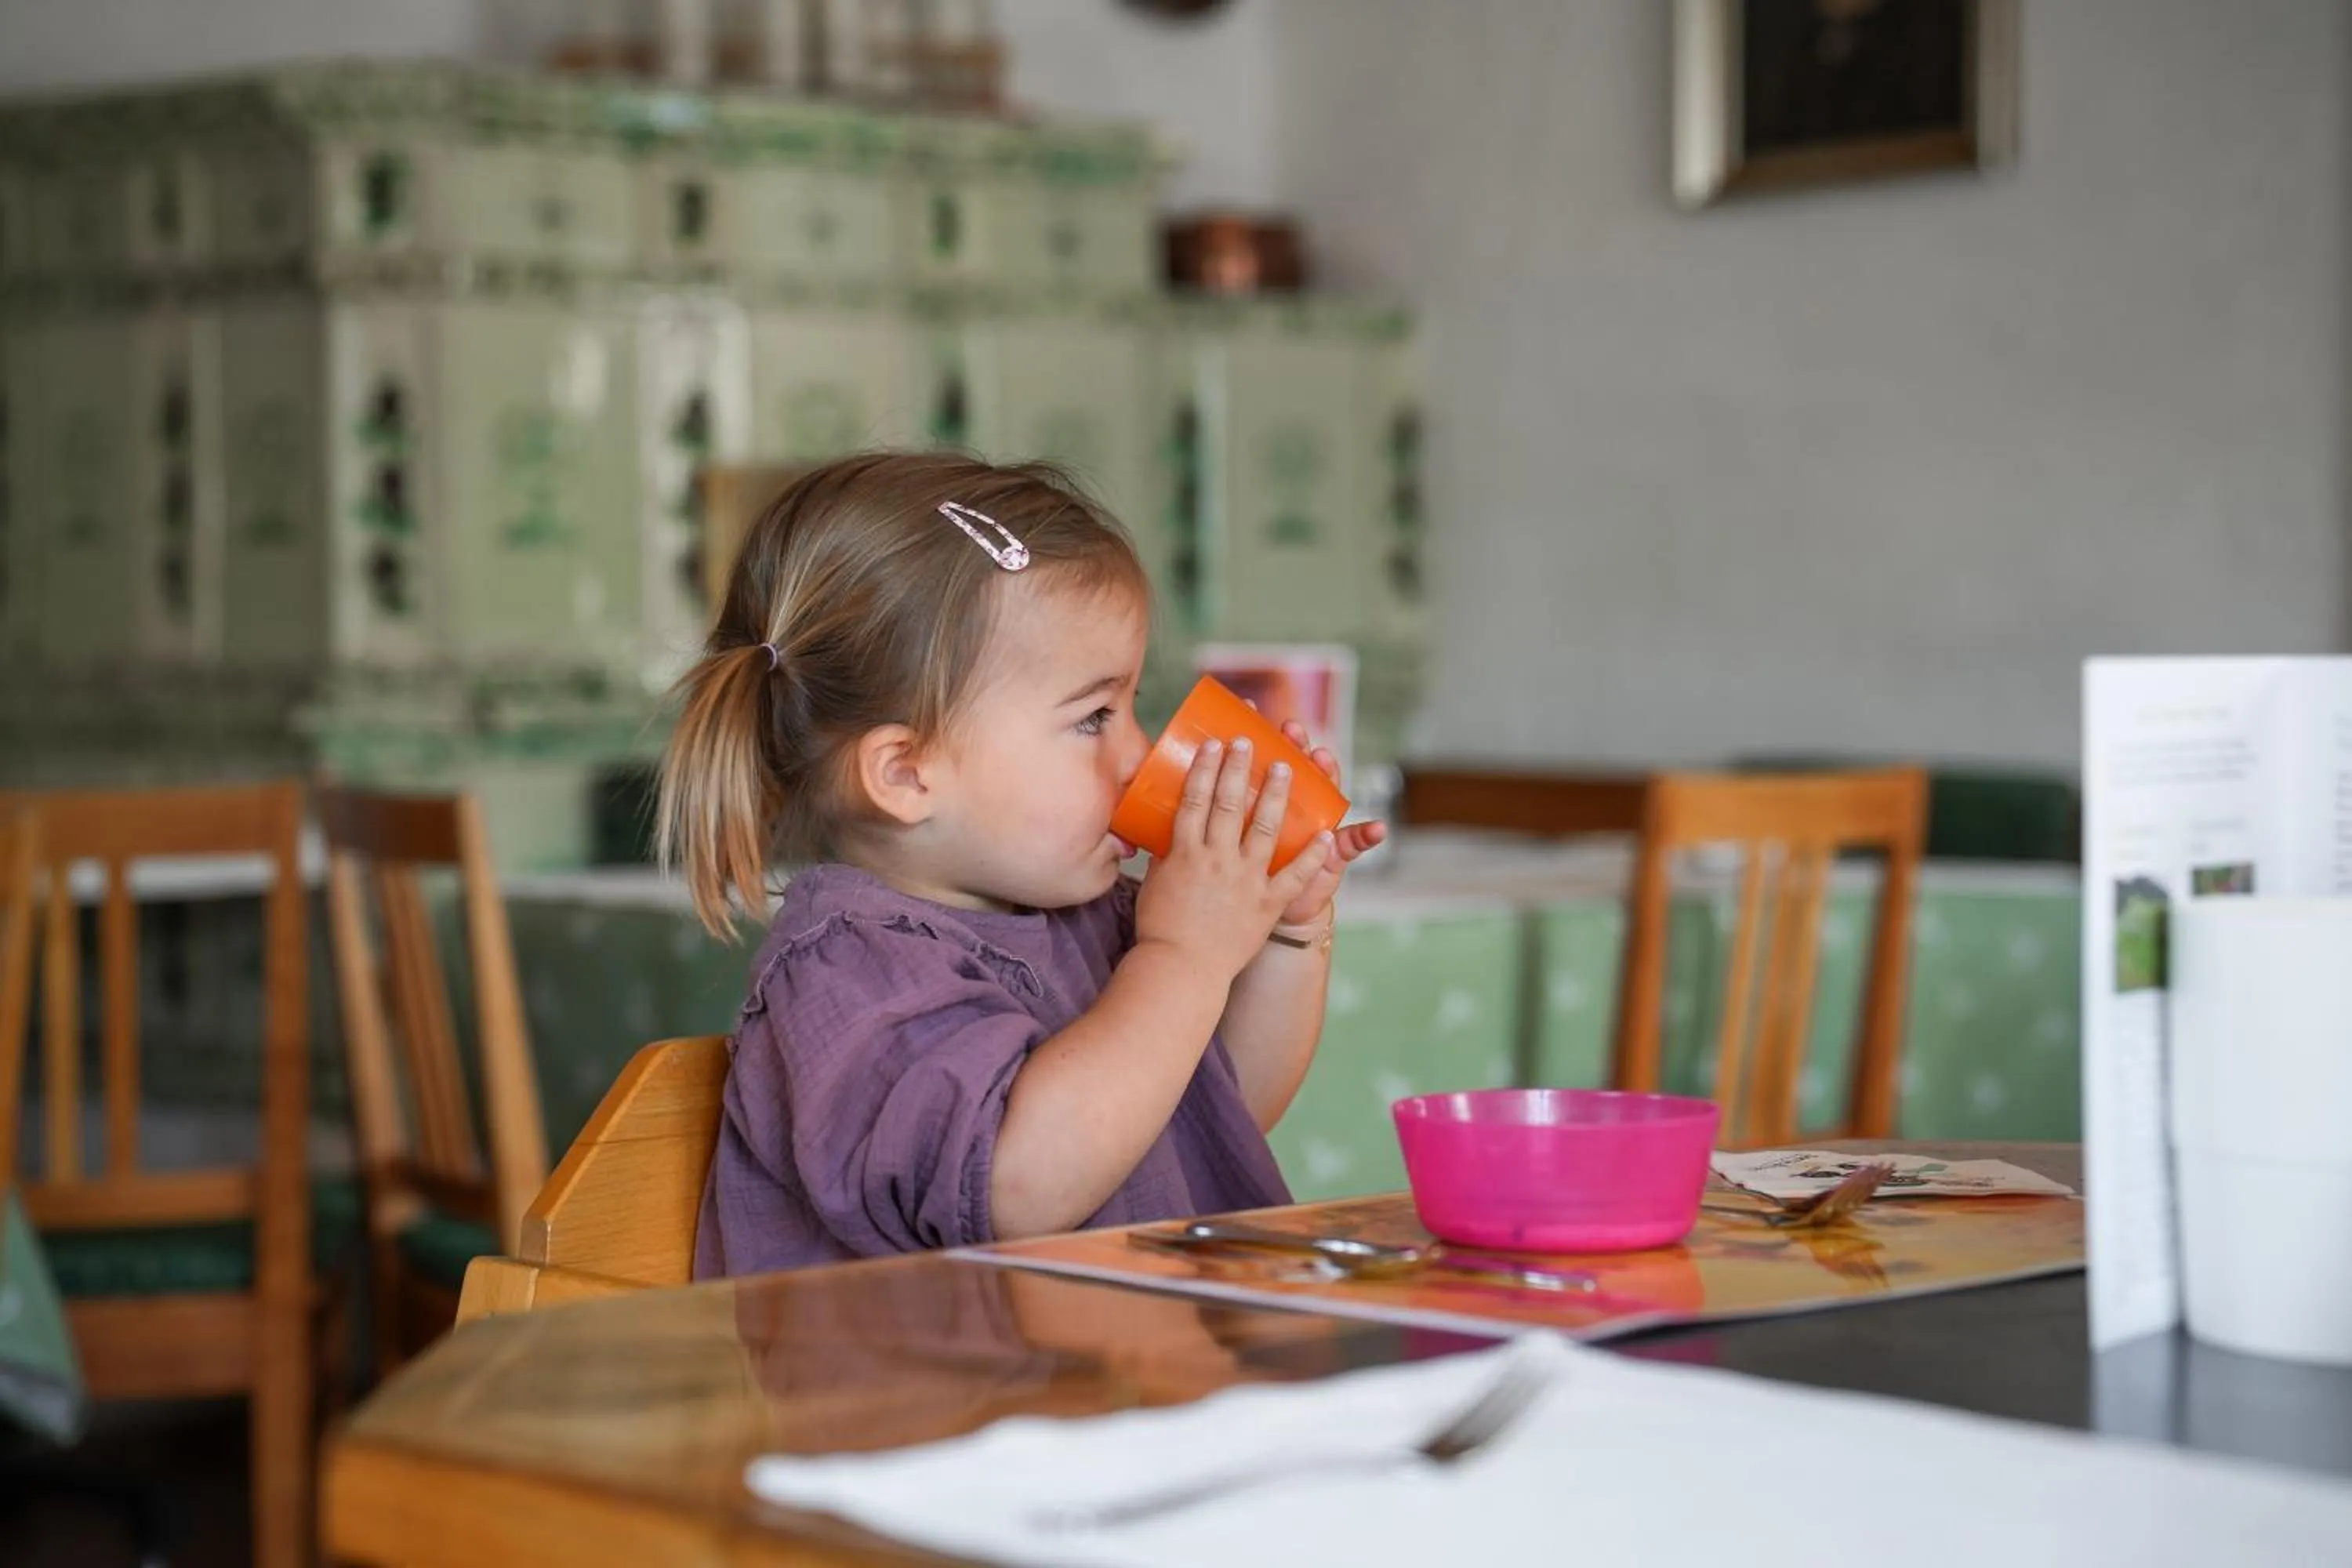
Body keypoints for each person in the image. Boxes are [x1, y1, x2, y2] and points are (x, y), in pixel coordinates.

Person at [657, 452, 1385, 1277]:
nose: (1140, 753)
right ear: (907, 774)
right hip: (923, 1401)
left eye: (1132, 706)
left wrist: (1289, 929)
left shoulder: (1092, 915)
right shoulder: (850, 971)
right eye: (1092, 717)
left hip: (1113, 1378)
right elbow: (1019, 1184)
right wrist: (1187, 955)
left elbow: (1216, 1104)